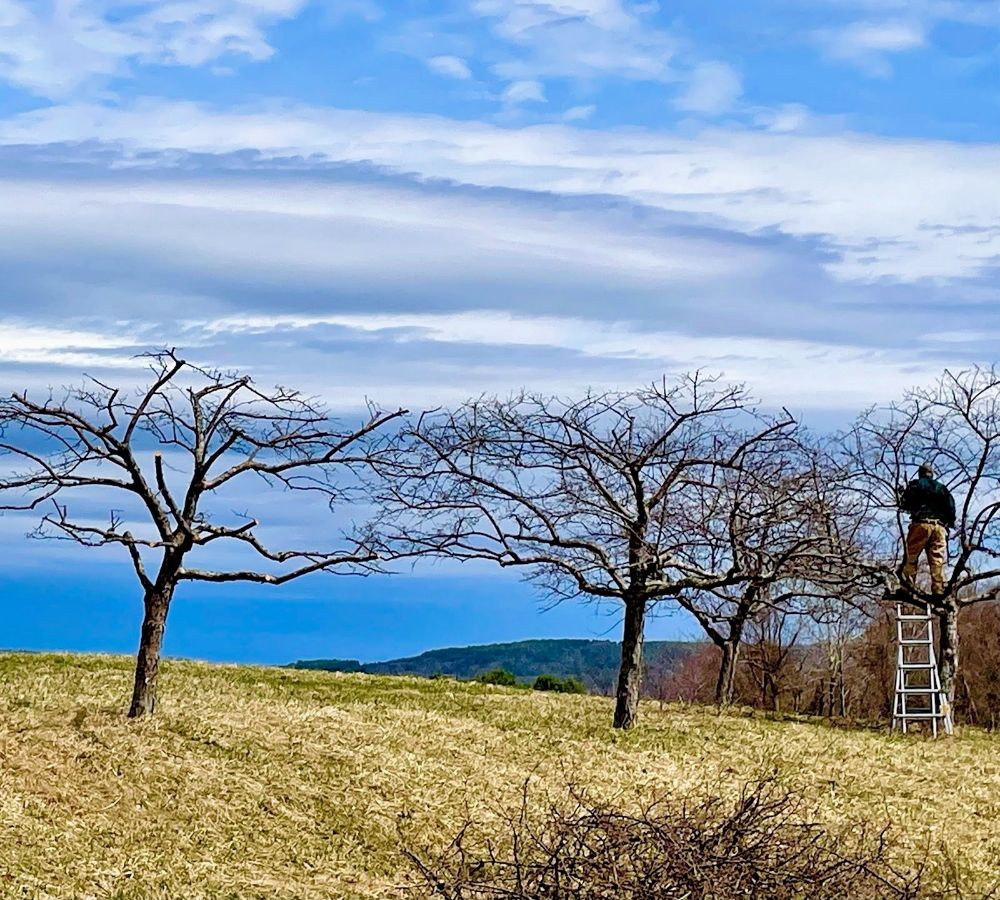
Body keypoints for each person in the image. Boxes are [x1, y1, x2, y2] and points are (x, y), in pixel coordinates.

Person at [899, 462, 956, 595]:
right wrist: (949, 523)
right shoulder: (941, 488)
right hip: (939, 527)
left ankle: (908, 586)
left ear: (920, 473)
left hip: (921, 524)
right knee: (937, 559)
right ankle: (938, 588)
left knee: (911, 556)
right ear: (932, 474)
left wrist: (902, 493)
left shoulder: (916, 485)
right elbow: (951, 507)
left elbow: (905, 504)